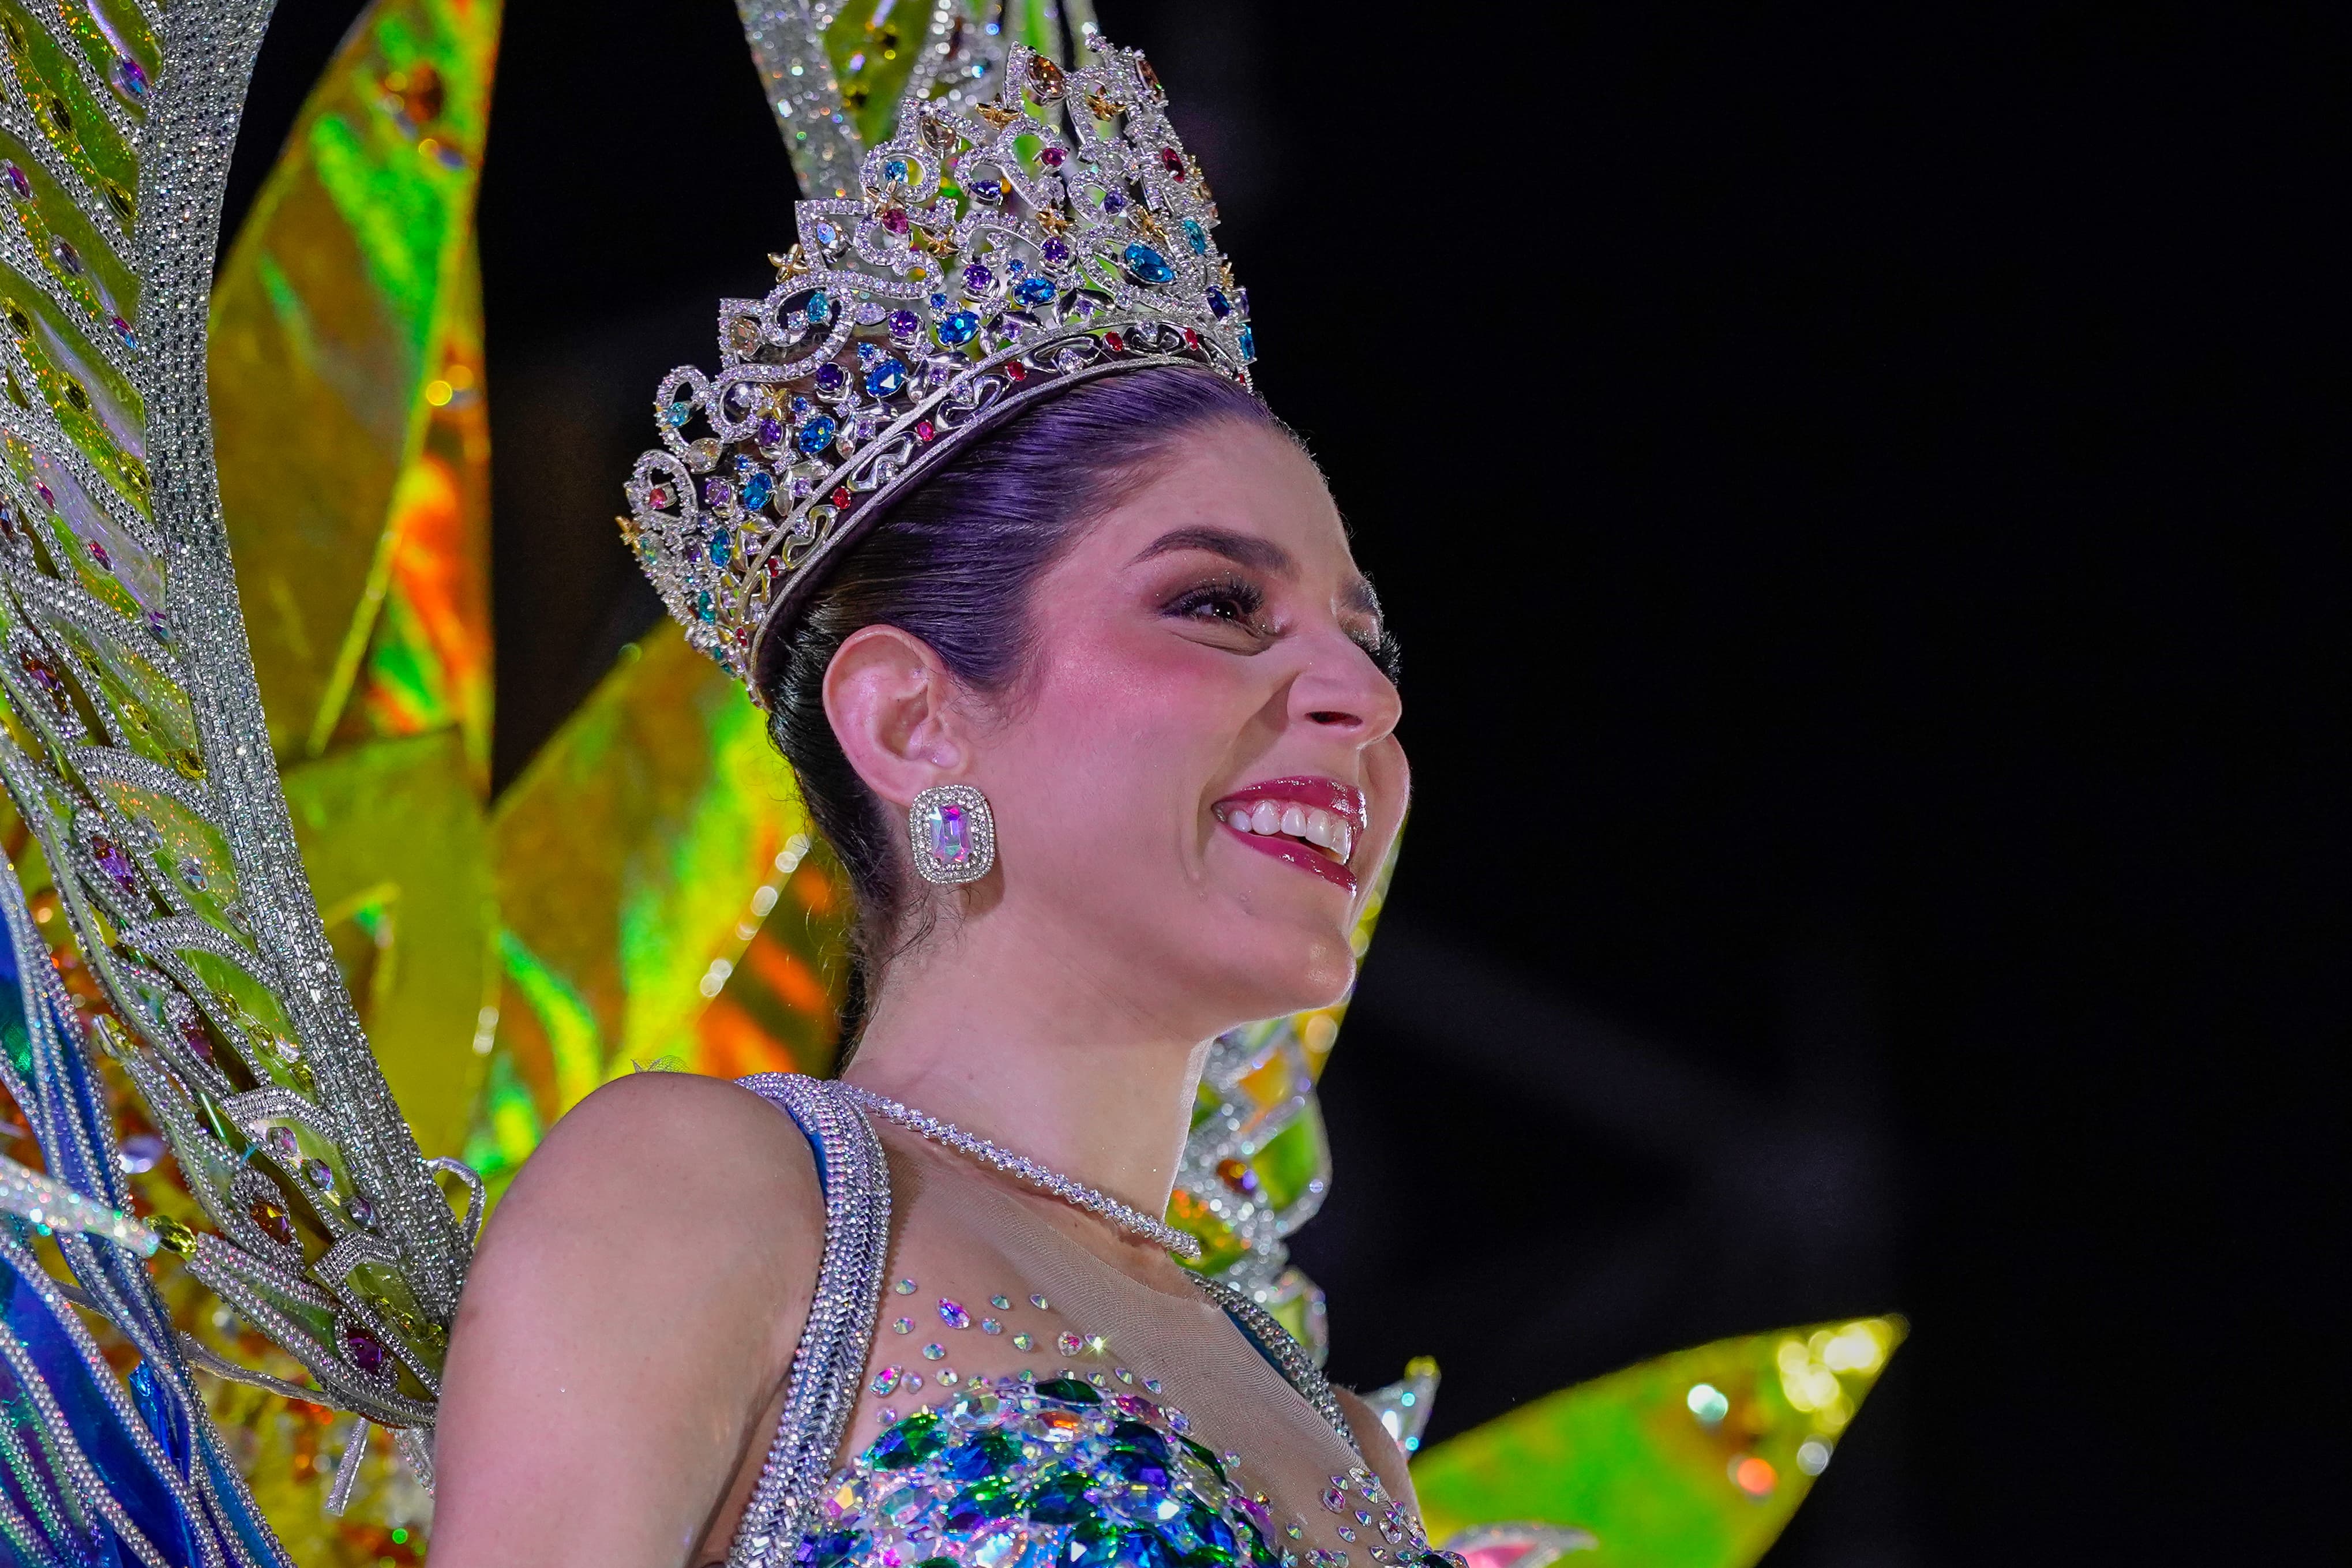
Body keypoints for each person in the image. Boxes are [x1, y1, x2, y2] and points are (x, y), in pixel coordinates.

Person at [428, 36, 1431, 1568]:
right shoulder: (726, 1199)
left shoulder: (1334, 1432)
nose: (1359, 698)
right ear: (910, 720)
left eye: (1368, 643)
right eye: (1219, 605)